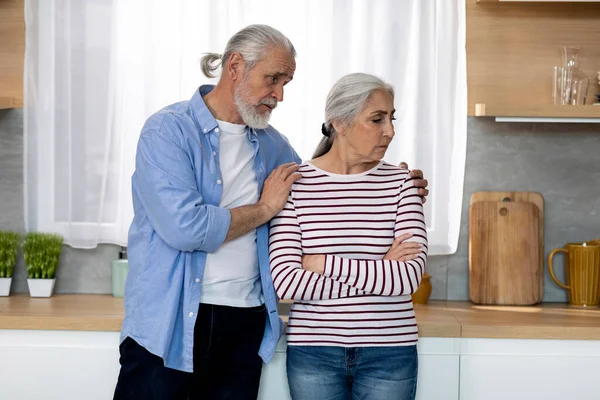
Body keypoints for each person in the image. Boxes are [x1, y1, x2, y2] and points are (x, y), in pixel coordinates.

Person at [114, 25, 429, 400]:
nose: (279, 94)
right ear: (235, 67)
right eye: (273, 78)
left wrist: (401, 186)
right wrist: (266, 208)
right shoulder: (168, 131)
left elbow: (324, 184)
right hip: (172, 318)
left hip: (245, 322)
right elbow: (186, 228)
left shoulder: (274, 146)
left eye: (286, 82)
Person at [269, 73, 428, 400]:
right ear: (339, 123)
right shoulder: (295, 186)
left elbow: (407, 279)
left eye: (391, 118)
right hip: (313, 351)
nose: (390, 131)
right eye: (377, 119)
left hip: (389, 350)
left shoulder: (402, 185)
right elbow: (285, 283)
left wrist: (320, 262)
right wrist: (380, 267)